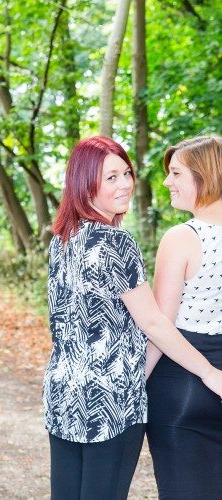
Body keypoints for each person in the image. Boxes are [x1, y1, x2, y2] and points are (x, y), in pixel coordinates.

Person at [42, 136, 222, 500]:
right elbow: (154, 322)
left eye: (126, 173)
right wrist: (207, 372)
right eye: (111, 177)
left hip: (64, 391)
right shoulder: (115, 242)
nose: (125, 183)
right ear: (84, 182)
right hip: (111, 398)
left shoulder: (63, 238)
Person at [146, 135, 222, 500]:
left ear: (204, 177)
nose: (167, 181)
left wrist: (129, 387)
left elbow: (160, 326)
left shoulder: (183, 237)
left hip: (184, 386)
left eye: (175, 173)